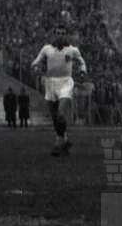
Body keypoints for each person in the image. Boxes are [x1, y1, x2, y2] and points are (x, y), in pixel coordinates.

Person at [32, 23, 87, 156]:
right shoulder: (47, 49)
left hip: (66, 82)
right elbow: (36, 62)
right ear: (54, 34)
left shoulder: (72, 50)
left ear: (66, 35)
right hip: (50, 83)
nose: (60, 36)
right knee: (54, 117)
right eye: (58, 33)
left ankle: (58, 142)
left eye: (63, 34)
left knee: (60, 113)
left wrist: (82, 71)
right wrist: (36, 68)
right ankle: (65, 140)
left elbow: (82, 61)